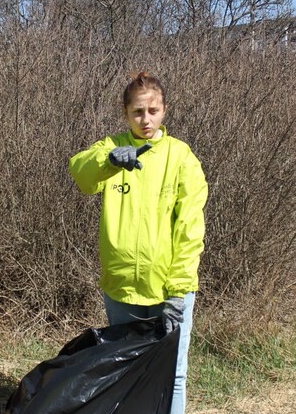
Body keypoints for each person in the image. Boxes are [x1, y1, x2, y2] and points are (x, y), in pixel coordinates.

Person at [68, 72, 208, 414]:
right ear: (125, 113)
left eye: (153, 111)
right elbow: (81, 174)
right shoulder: (112, 148)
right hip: (121, 290)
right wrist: (110, 161)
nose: (146, 120)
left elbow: (190, 229)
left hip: (168, 289)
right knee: (127, 369)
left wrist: (179, 289)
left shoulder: (181, 157)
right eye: (138, 113)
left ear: (165, 111)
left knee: (172, 373)